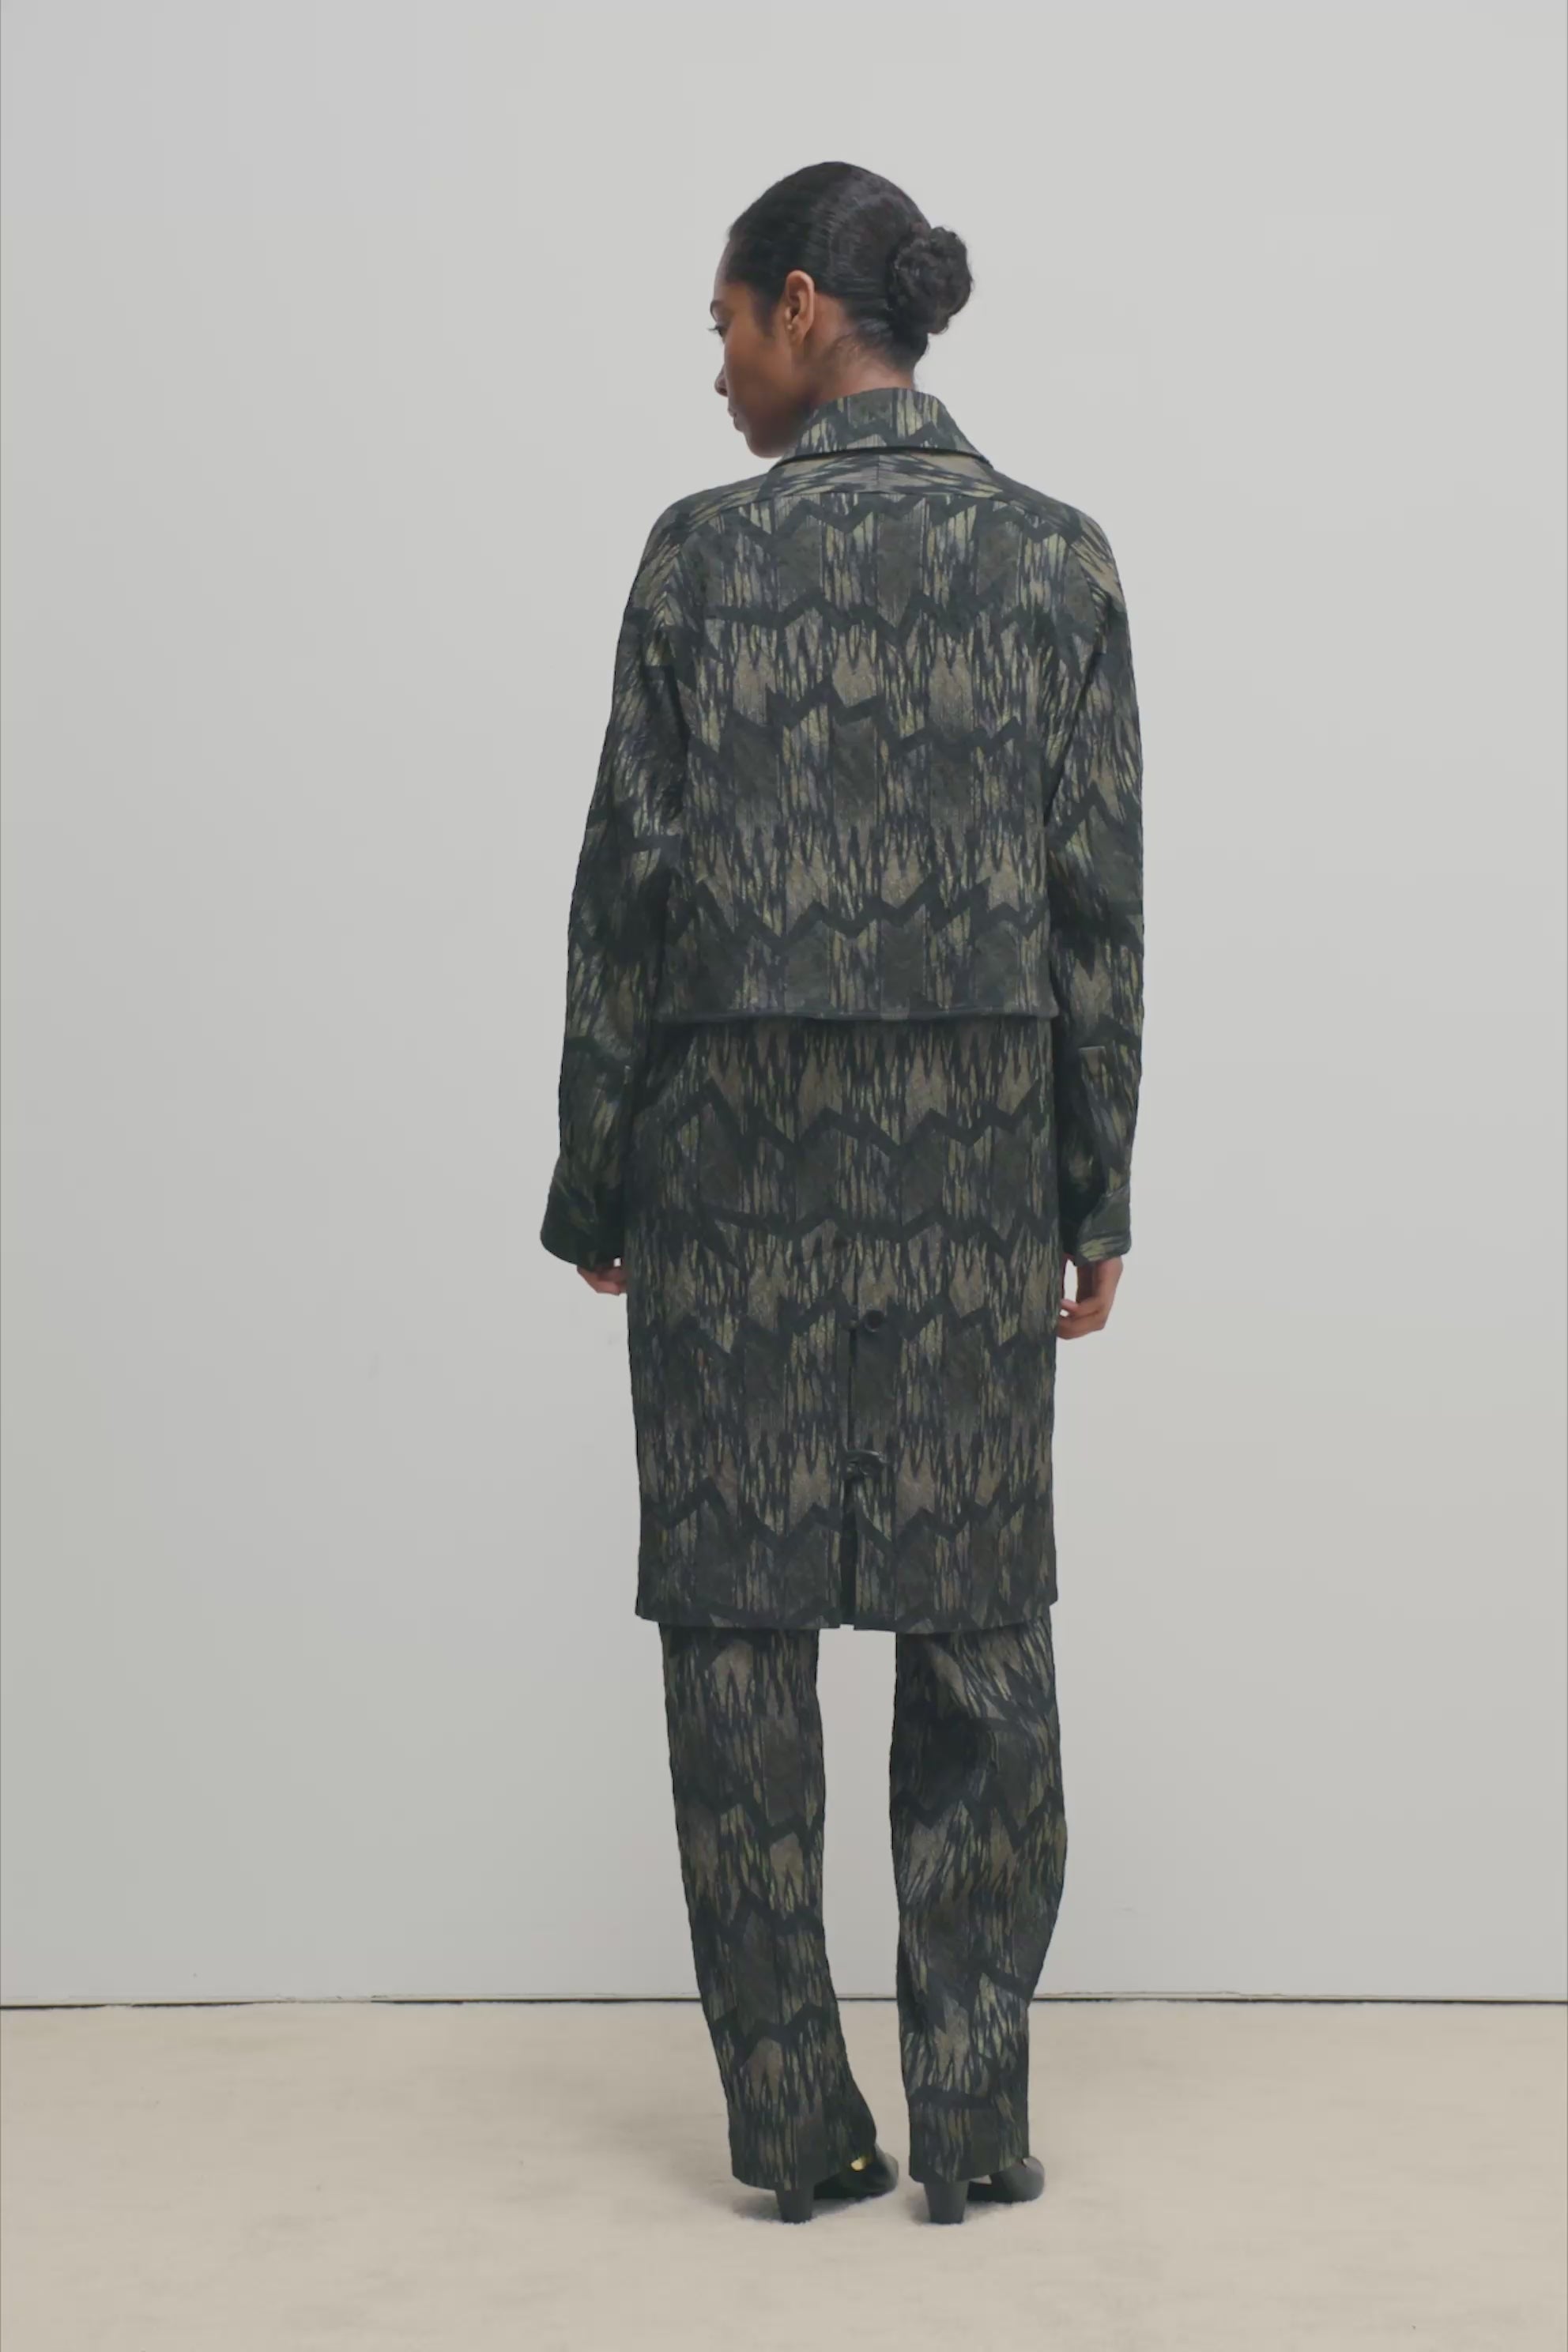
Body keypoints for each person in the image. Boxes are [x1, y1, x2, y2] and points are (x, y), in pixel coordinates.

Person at [540, 160, 1144, 2226]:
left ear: (803, 307)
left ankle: (796, 2128)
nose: (717, 371)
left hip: (732, 1161)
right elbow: (1095, 904)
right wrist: (1094, 1187)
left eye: (725, 325)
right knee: (977, 1625)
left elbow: (625, 890)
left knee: (740, 1628)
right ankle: (971, 2120)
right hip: (974, 1161)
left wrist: (595, 1174)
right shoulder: (1057, 561)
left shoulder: (699, 563)